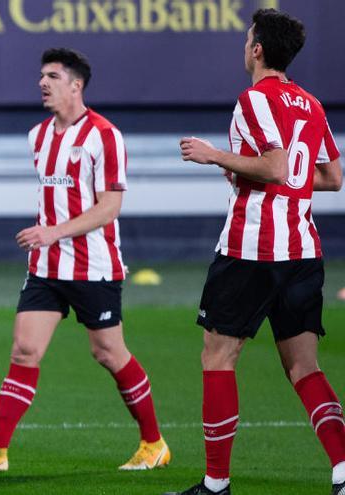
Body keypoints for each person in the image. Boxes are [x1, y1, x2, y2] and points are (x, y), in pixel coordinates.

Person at [0, 48, 169, 472]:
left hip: (93, 265)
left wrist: (53, 232)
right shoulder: (38, 136)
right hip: (46, 267)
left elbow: (109, 207)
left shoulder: (105, 135)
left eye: (51, 76)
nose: (42, 83)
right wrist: (47, 238)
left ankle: (153, 442)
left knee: (108, 352)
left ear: (76, 85)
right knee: (25, 350)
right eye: (41, 76)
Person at [169, 8, 345, 495]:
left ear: (257, 49)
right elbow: (331, 177)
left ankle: (216, 482)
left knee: (218, 357)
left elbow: (273, 167)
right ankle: (343, 471)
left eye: (248, 38)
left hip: (252, 250)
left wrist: (214, 156)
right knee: (304, 367)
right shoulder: (310, 103)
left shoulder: (253, 99)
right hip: (302, 251)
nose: (245, 45)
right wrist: (257, 172)